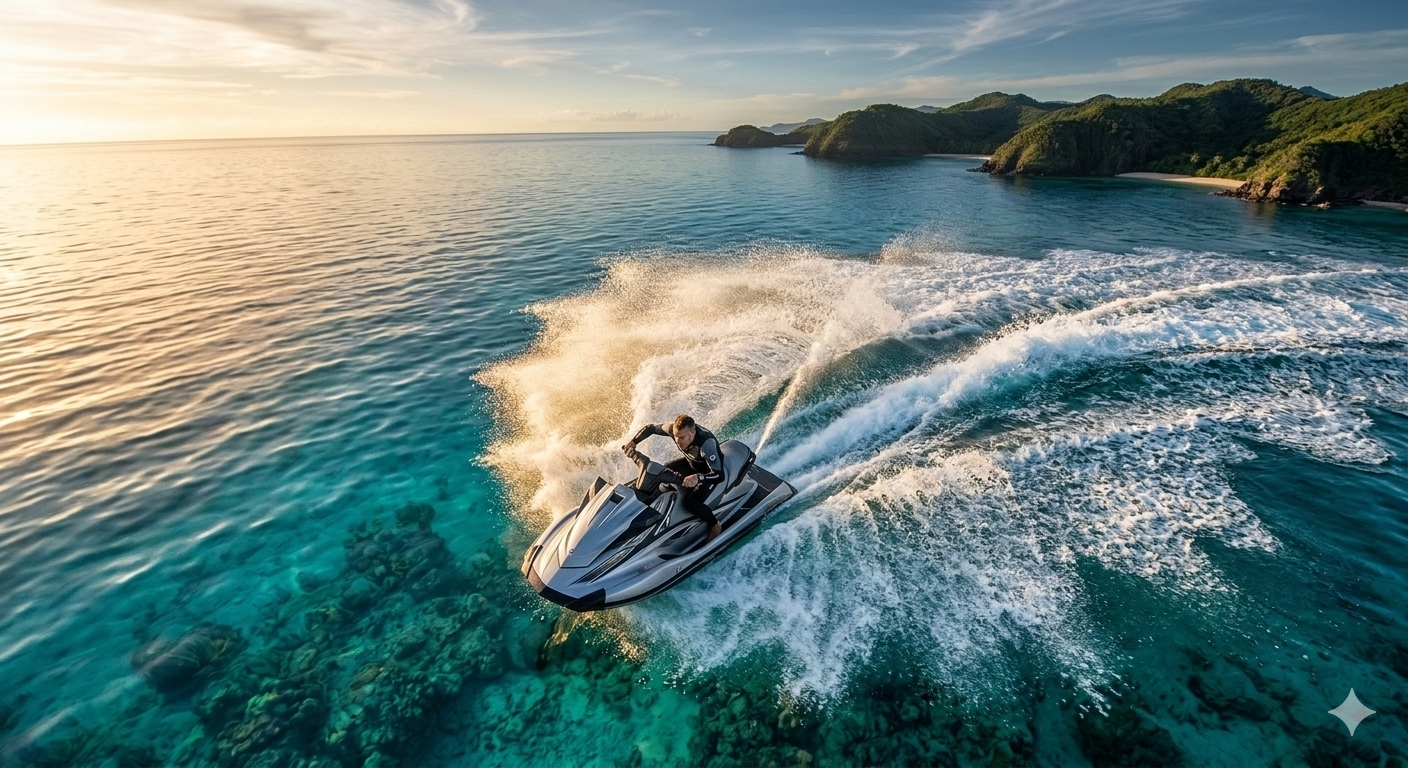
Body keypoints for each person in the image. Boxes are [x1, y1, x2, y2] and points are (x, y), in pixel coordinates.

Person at [623, 414, 724, 540]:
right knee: (664, 471)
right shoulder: (673, 429)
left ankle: (715, 525)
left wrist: (698, 478)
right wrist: (634, 442)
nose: (678, 440)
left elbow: (720, 476)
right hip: (690, 464)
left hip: (708, 472)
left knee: (692, 503)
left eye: (681, 437)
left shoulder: (706, 443)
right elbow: (651, 428)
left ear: (692, 432)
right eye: (676, 436)